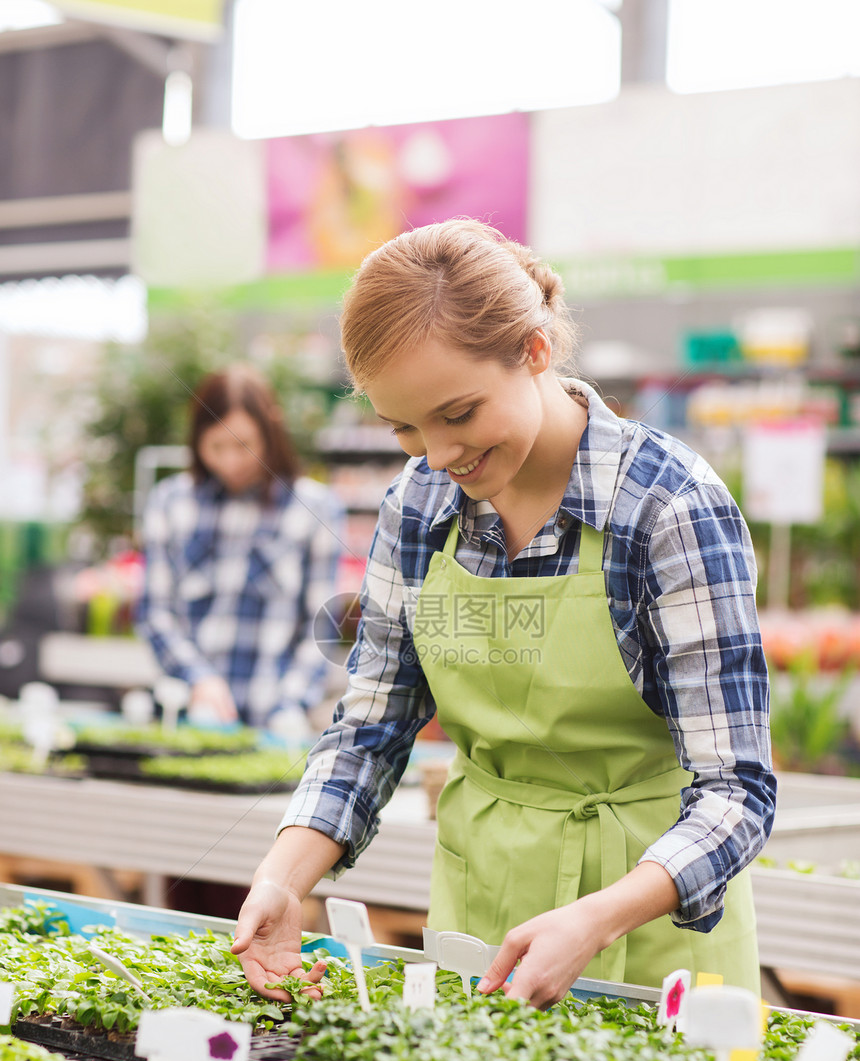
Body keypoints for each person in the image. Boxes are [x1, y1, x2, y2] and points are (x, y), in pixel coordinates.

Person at [231, 220, 776, 1009]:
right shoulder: (418, 508)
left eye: (458, 413)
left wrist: (599, 916)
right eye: (406, 428)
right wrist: (282, 876)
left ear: (534, 349)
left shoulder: (667, 508)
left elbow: (738, 790)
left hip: (656, 935)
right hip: (479, 915)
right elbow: (370, 729)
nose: (439, 453)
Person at [137, 364, 343, 735]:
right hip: (186, 717)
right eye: (217, 446)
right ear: (196, 440)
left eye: (243, 445)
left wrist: (290, 703)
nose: (231, 461)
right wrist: (199, 679)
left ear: (271, 431)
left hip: (278, 724)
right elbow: (156, 612)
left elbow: (322, 625)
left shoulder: (315, 508)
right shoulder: (169, 502)